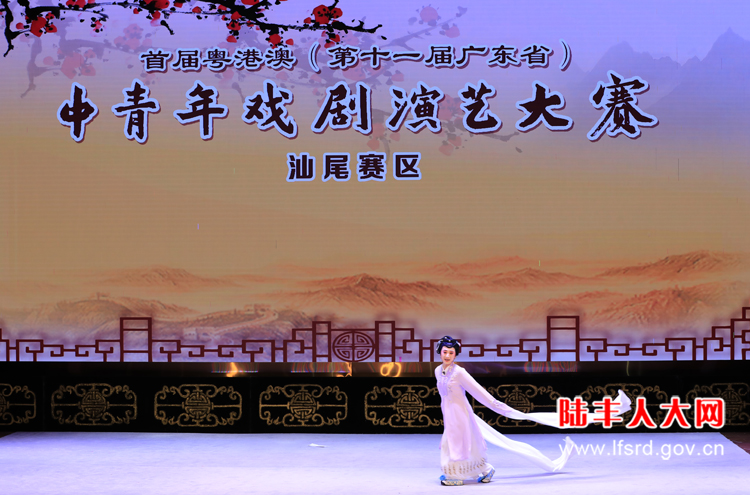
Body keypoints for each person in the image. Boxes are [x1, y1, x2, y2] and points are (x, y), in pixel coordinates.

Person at [435, 335, 631, 486]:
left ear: (455, 355)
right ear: (440, 352)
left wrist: (500, 407)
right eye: (445, 352)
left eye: (451, 353)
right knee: (459, 444)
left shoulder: (460, 373)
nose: (447, 356)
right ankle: (484, 470)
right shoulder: (438, 371)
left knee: (458, 443)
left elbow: (480, 393)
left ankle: (457, 475)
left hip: (461, 416)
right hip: (449, 415)